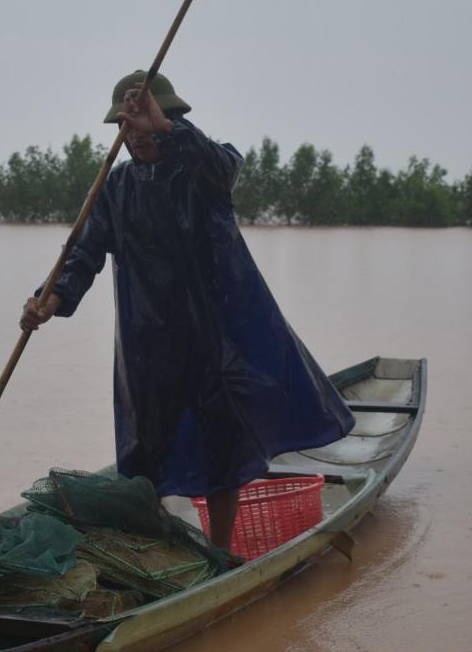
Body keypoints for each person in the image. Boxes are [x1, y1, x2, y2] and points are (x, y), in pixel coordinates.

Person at [21, 71, 354, 553]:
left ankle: (219, 552)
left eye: (145, 122)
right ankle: (155, 552)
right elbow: (83, 255)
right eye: (126, 126)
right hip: (146, 340)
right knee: (144, 448)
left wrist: (165, 129)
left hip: (215, 336)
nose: (135, 134)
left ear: (170, 118)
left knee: (223, 447)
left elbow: (223, 168)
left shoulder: (203, 169)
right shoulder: (115, 188)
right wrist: (47, 300)